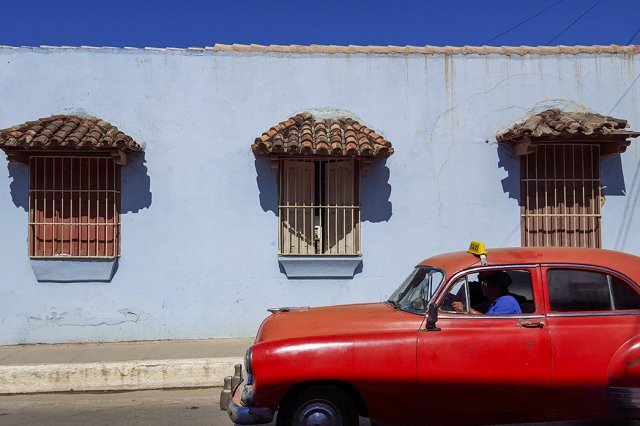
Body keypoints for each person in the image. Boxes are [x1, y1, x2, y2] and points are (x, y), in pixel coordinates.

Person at [452, 271, 522, 315]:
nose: (484, 287)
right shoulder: (491, 302)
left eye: (488, 284)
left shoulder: (507, 301)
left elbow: (491, 322)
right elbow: (476, 309)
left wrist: (465, 309)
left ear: (499, 286)